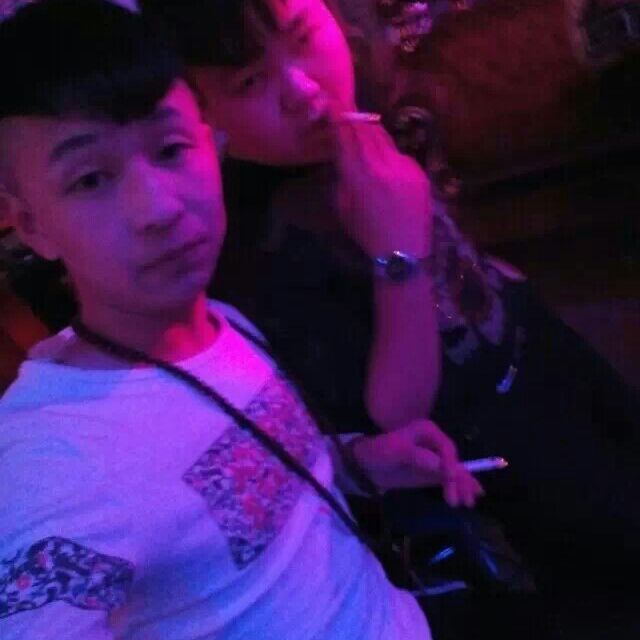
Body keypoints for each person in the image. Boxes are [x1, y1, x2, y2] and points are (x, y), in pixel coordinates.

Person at [0, 1, 487, 637]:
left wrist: (356, 464)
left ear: (210, 143)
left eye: (170, 148)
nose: (158, 209)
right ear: (31, 225)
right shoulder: (55, 458)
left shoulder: (221, 323)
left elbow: (225, 498)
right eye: (90, 180)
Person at [139, 0, 640, 593]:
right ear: (199, 111)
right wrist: (397, 251)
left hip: (531, 342)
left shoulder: (366, 114)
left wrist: (491, 272)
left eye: (303, 38)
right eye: (250, 82)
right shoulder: (259, 245)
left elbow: (435, 206)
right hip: (495, 445)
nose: (303, 91)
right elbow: (395, 414)